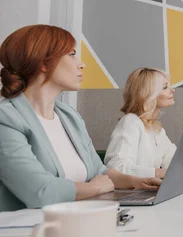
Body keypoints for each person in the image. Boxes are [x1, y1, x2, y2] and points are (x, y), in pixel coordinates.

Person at [0, 25, 161, 212]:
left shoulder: (69, 116)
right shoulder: (6, 119)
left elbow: (99, 172)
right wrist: (94, 188)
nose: (81, 64)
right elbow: (40, 192)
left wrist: (136, 182)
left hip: (74, 221)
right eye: (72, 54)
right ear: (43, 63)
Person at [104, 68, 183, 178]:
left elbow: (173, 160)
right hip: (129, 193)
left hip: (144, 192)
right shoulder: (131, 122)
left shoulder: (156, 129)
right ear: (148, 94)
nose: (172, 90)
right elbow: (117, 168)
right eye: (165, 87)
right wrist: (158, 173)